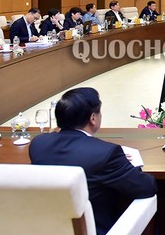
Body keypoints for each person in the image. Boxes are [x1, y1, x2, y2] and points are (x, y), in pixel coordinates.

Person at [29, 87, 157, 235]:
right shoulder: (106, 153)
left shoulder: (38, 144)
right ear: (93, 118)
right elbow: (147, 187)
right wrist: (128, 165)